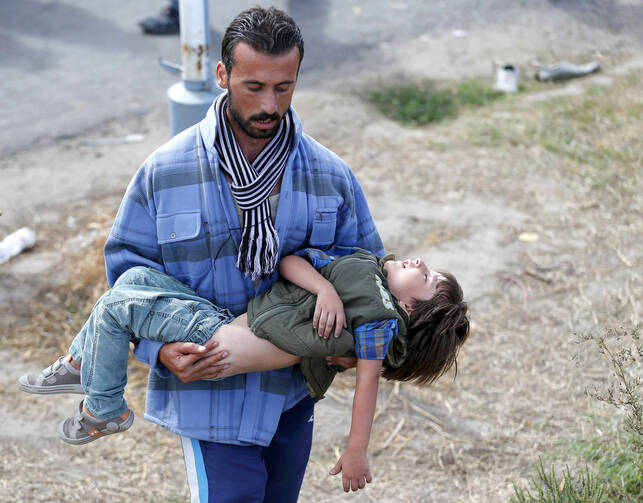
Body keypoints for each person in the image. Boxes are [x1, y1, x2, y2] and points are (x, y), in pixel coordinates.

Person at [48, 6, 383, 501]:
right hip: (206, 397)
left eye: (284, 87)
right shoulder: (166, 171)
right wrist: (158, 352)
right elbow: (128, 285)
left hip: (291, 398)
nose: (270, 104)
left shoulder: (330, 176)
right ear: (222, 74)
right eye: (254, 87)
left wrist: (350, 345)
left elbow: (368, 272)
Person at [19, 247, 470, 493]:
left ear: (411, 309)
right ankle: (82, 364)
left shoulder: (378, 321)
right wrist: (325, 292)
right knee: (133, 282)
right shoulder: (364, 271)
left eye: (429, 279)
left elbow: (367, 384)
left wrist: (357, 450)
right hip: (218, 322)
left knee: (119, 307)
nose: (420, 263)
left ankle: (105, 407)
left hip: (215, 341)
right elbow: (292, 261)